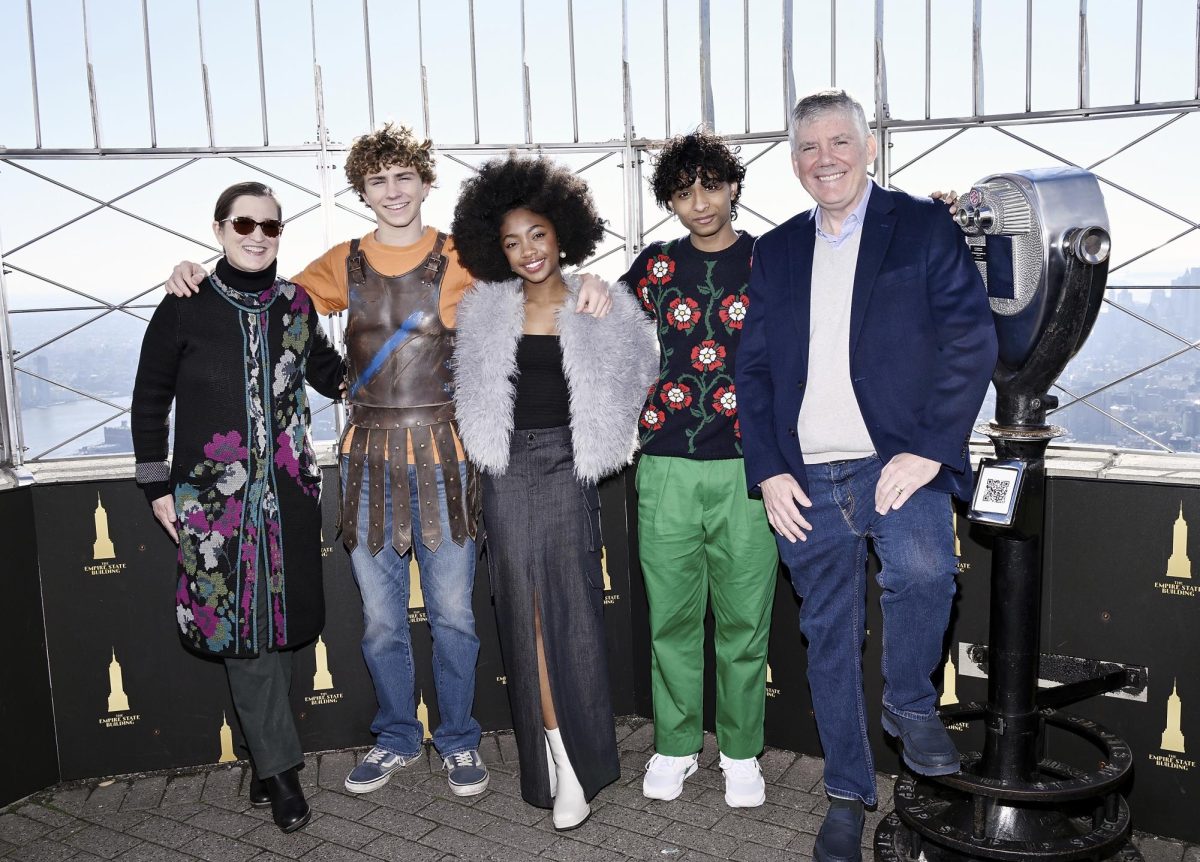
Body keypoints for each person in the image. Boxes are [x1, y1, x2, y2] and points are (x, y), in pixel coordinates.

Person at [162, 124, 611, 799]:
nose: (394, 190)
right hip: (368, 460)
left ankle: (458, 739)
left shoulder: (467, 256)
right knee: (380, 621)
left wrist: (590, 285)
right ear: (363, 192)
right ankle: (398, 735)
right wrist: (197, 267)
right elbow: (264, 294)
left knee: (455, 615)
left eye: (405, 176)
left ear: (427, 183)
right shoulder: (341, 262)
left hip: (448, 459)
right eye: (379, 180)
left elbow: (537, 279)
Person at [735, 90, 997, 862]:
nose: (826, 159)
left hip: (898, 461)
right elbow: (752, 369)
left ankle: (912, 703)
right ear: (793, 162)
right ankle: (847, 793)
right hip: (805, 479)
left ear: (870, 146)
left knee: (923, 568)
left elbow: (970, 337)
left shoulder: (919, 225)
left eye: (839, 141)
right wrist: (768, 471)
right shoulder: (777, 249)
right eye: (809, 148)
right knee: (827, 643)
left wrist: (928, 449)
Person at [132, 181, 346, 834]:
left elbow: (334, 375)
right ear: (221, 229)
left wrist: (406, 345)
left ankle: (261, 758)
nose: (257, 235)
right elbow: (149, 396)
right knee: (244, 635)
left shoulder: (297, 306)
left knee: (280, 631)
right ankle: (282, 774)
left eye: (270, 226)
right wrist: (155, 485)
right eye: (244, 224)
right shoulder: (184, 304)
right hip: (213, 505)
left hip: (288, 499)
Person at [450, 155, 656, 830]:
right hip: (505, 471)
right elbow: (467, 390)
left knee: (568, 611)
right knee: (524, 613)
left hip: (568, 467)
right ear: (495, 249)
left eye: (536, 234)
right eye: (510, 241)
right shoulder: (483, 311)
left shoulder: (601, 301)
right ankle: (556, 757)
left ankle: (580, 762)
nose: (526, 250)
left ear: (561, 231)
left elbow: (640, 378)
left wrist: (602, 311)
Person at [621, 131, 778, 808]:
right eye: (684, 192)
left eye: (710, 185)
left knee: (746, 621)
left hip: (754, 464)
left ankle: (742, 753)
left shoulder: (772, 261)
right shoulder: (654, 267)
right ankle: (677, 746)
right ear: (671, 202)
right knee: (672, 620)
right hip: (666, 463)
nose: (700, 202)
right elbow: (600, 338)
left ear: (734, 185)